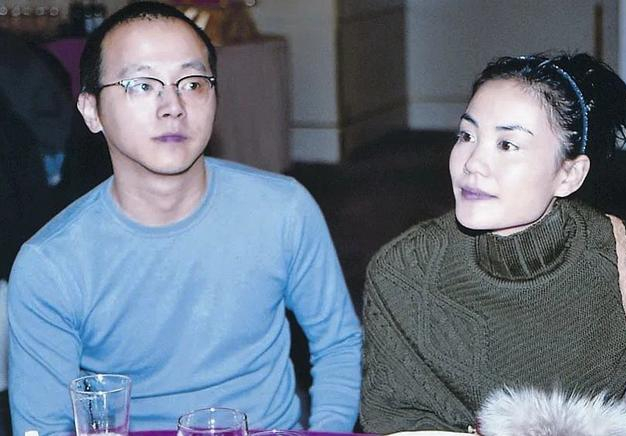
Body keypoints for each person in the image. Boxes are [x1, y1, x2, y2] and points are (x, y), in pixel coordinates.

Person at [8, 2, 362, 435]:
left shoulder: (282, 209)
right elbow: (44, 425)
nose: (172, 105)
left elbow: (339, 342)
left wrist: (327, 429)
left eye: (192, 83)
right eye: (141, 85)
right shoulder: (52, 263)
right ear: (91, 110)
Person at [360, 52, 626, 433]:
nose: (472, 162)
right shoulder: (403, 274)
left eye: (507, 145)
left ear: (569, 175)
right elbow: (398, 419)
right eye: (467, 136)